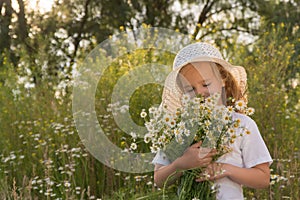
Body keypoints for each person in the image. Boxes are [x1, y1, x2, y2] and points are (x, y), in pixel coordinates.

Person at [152, 42, 272, 199]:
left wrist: (225, 169)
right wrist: (181, 164)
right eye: (190, 89)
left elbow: (263, 178)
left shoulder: (242, 125)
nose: (200, 93)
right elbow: (159, 179)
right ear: (183, 93)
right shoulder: (178, 128)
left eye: (206, 84)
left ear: (222, 79)